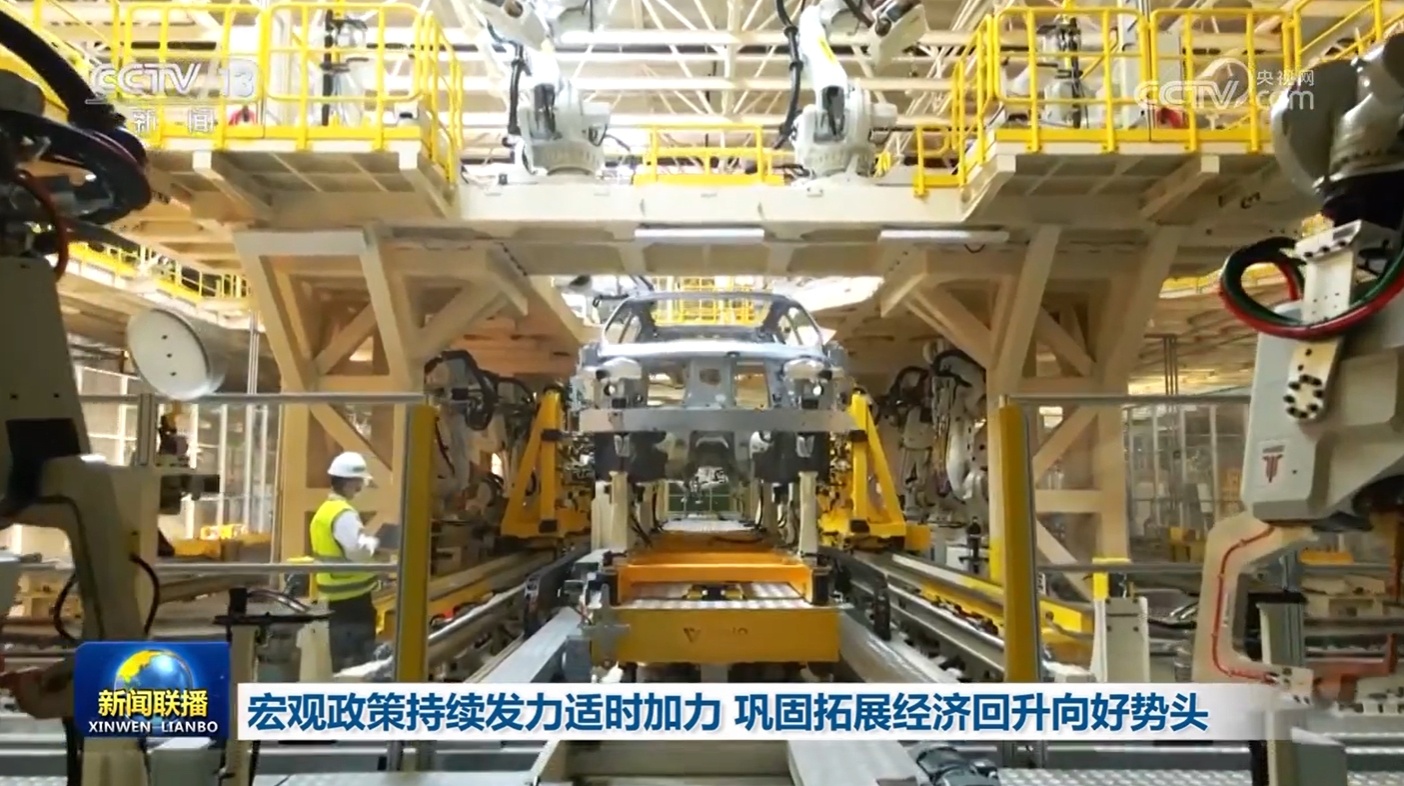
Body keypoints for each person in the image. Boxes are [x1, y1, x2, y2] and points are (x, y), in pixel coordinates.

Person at [309, 451, 382, 670]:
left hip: (333, 597)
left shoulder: (325, 511)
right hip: (352, 601)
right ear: (350, 482)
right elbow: (357, 551)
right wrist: (372, 544)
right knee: (356, 662)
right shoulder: (343, 514)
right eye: (359, 482)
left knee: (340, 659)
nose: (361, 487)